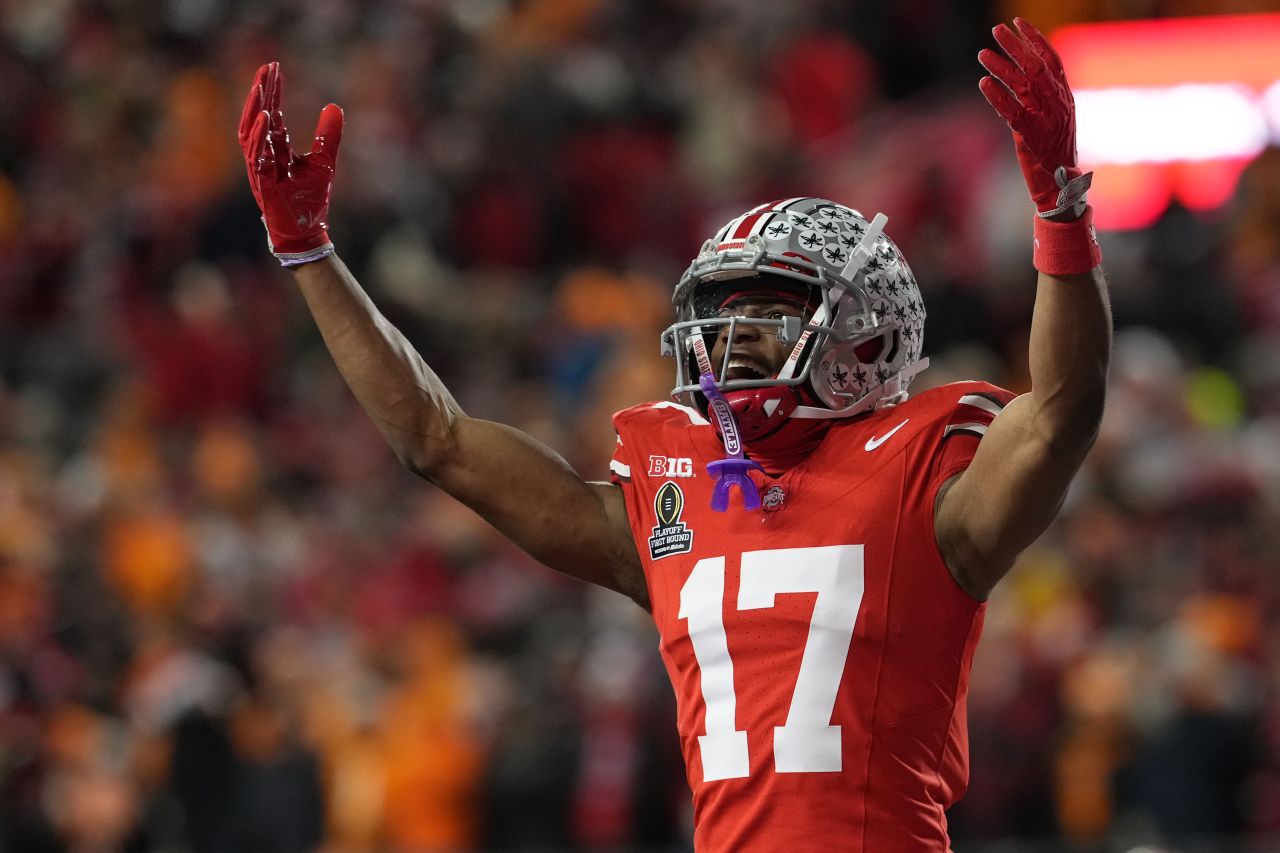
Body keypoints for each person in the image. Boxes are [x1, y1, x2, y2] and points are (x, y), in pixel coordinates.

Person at [237, 17, 1110, 852]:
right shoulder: (672, 492)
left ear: (867, 338)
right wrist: (309, 253)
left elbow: (1062, 412)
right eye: (720, 317)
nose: (731, 343)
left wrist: (1060, 216)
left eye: (766, 312)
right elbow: (438, 439)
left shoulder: (927, 472)